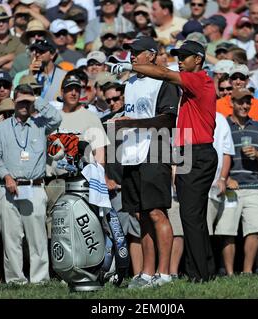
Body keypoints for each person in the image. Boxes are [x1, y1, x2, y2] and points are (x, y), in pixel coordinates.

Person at [108, 39, 218, 282]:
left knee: (189, 216)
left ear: (198, 59)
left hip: (196, 151)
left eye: (186, 56)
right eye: (178, 55)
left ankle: (197, 275)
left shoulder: (200, 79)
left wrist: (127, 65)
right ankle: (203, 271)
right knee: (192, 216)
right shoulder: (189, 83)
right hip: (186, 150)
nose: (180, 59)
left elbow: (164, 74)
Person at [109, 36, 179, 288]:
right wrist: (121, 121)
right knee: (141, 215)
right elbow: (136, 115)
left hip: (156, 149)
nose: (132, 56)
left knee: (157, 212)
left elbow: (168, 119)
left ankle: (165, 274)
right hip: (131, 152)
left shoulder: (164, 80)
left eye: (138, 52)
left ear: (151, 55)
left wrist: (129, 123)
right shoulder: (130, 83)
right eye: (131, 52)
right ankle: (148, 273)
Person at [0, 84, 61, 284]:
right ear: (13, 102)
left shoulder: (41, 125)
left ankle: (40, 279)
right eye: (20, 101)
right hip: (8, 188)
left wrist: (35, 101)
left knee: (37, 237)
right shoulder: (0, 128)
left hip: (35, 187)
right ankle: (15, 280)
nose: (24, 105)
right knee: (11, 238)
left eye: (27, 101)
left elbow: (57, 118)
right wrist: (6, 176)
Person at [220, 87, 258, 275]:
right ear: (232, 103)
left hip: (253, 185)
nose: (245, 105)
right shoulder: (223, 126)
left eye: (248, 102)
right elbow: (217, 156)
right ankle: (230, 274)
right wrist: (227, 178)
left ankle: (247, 273)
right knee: (228, 231)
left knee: (255, 229)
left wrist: (257, 154)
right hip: (231, 187)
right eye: (240, 102)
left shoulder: (257, 127)